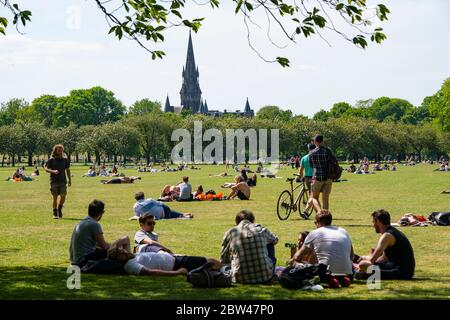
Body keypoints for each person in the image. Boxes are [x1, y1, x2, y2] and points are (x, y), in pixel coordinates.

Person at [291, 210, 354, 285]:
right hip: (348, 273)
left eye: (315, 222)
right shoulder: (343, 231)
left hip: (324, 274)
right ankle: (341, 279)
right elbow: (351, 256)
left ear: (317, 222)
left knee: (293, 262)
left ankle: (331, 279)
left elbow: (297, 257)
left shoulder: (314, 233)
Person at [221, 210, 278, 284]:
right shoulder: (261, 229)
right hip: (265, 276)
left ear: (237, 222)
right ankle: (265, 268)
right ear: (252, 220)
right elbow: (275, 239)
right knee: (270, 242)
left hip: (240, 278)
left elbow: (224, 259)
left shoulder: (230, 233)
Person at [356, 209, 415, 280]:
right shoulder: (392, 232)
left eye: (373, 222)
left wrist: (363, 263)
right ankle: (364, 274)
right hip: (401, 269)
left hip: (401, 272)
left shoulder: (387, 235)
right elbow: (384, 258)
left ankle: (364, 275)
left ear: (377, 221)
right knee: (363, 262)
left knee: (363, 264)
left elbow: (372, 260)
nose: (373, 225)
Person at [108, 241, 220, 277]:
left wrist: (114, 246)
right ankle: (227, 269)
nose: (123, 250)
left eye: (121, 249)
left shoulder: (130, 256)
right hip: (175, 264)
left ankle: (225, 268)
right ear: (118, 260)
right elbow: (151, 272)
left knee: (210, 264)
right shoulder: (129, 265)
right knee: (209, 262)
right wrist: (177, 272)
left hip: (174, 258)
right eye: (119, 253)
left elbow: (125, 239)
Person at [69, 199, 128, 267]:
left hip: (75, 260)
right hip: (83, 261)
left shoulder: (82, 222)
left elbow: (98, 244)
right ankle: (129, 263)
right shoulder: (94, 224)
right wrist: (117, 247)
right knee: (116, 253)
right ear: (100, 213)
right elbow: (104, 246)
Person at [44, 144, 71, 219]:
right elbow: (45, 168)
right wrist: (52, 171)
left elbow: (68, 170)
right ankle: (55, 212)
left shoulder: (65, 160)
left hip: (63, 181)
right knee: (55, 198)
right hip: (54, 181)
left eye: (61, 150)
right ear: (55, 151)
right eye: (58, 150)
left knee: (63, 196)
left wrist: (69, 180)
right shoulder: (52, 159)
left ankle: (59, 208)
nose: (60, 151)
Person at [308, 135, 334, 212]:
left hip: (317, 177)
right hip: (328, 177)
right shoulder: (328, 151)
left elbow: (311, 165)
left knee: (314, 198)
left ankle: (319, 213)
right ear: (322, 142)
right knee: (325, 199)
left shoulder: (312, 153)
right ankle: (325, 216)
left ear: (315, 142)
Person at [129, 192, 193, 220]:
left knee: (172, 215)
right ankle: (183, 214)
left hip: (160, 215)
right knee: (171, 213)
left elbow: (137, 216)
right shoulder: (149, 200)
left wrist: (132, 218)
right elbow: (160, 203)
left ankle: (184, 215)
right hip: (163, 209)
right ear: (143, 197)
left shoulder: (135, 206)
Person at [298, 143, 317, 218]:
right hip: (314, 178)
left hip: (306, 178)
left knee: (311, 193)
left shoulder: (304, 158)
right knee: (313, 195)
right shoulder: (315, 157)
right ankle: (306, 212)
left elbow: (301, 170)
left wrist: (302, 177)